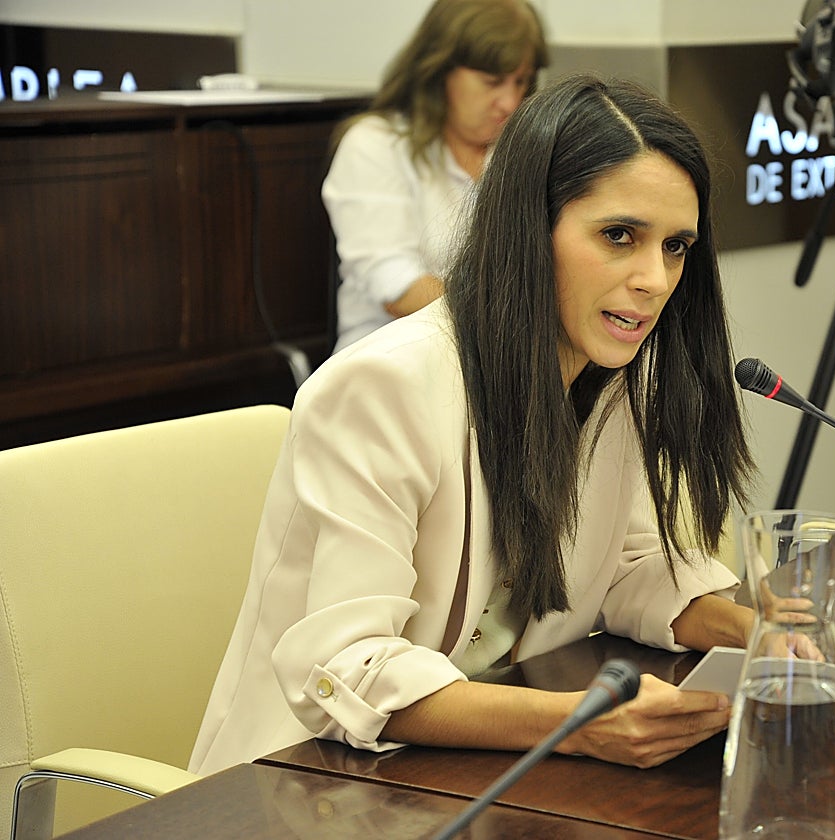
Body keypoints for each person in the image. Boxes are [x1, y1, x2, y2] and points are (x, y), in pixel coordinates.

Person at [189, 73, 759, 777]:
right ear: (528, 228)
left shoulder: (609, 376)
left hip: (476, 771)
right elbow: (349, 671)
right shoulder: (384, 387)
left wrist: (755, 631)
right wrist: (580, 725)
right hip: (305, 784)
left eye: (676, 246)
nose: (655, 278)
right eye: (619, 236)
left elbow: (618, 569)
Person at [322, 0, 547, 352]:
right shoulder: (375, 144)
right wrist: (507, 319)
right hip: (387, 362)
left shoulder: (518, 151)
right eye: (492, 81)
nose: (509, 102)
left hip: (497, 362)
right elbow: (396, 286)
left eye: (521, 82)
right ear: (439, 71)